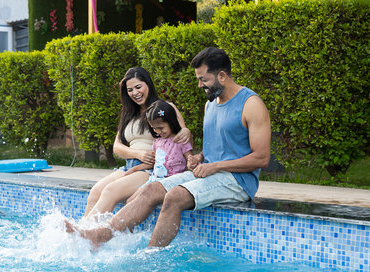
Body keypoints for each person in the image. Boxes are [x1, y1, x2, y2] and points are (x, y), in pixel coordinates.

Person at [66, 47, 271, 249]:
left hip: (237, 181)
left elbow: (261, 158)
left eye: (203, 79)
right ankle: (100, 235)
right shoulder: (211, 104)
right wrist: (199, 158)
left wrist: (214, 166)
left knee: (174, 196)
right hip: (210, 174)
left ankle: (150, 257)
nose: (200, 85)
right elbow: (218, 149)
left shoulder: (251, 104)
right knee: (150, 189)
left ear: (223, 76)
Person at [84, 67, 192, 218]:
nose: (135, 92)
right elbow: (117, 146)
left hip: (149, 169)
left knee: (110, 191)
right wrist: (137, 154)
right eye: (130, 89)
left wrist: (186, 131)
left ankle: (90, 234)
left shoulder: (164, 108)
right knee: (95, 192)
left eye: (138, 87)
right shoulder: (129, 114)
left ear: (148, 84)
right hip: (130, 166)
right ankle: (80, 233)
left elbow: (183, 139)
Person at [124, 100, 193, 188]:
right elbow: (156, 162)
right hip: (155, 179)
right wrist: (135, 169)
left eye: (160, 128)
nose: (157, 131)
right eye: (154, 128)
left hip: (173, 182)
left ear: (171, 122)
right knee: (133, 197)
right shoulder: (157, 141)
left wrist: (192, 163)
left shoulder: (180, 140)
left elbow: (191, 161)